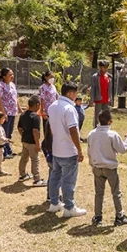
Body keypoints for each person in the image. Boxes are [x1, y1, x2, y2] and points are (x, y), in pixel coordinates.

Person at [86, 109, 127, 227]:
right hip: (110, 168)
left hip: (97, 167)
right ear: (110, 122)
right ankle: (119, 216)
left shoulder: (91, 134)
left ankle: (98, 217)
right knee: (116, 192)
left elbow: (89, 152)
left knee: (99, 193)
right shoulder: (112, 135)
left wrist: (92, 164)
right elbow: (123, 149)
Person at [46, 83, 87, 217]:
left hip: (56, 148)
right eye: (75, 93)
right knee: (68, 180)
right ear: (70, 93)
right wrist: (79, 150)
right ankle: (69, 207)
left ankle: (54, 202)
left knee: (55, 176)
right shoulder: (69, 108)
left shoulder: (52, 106)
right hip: (68, 150)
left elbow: (51, 128)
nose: (76, 96)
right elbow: (73, 130)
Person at [17, 95, 46, 186]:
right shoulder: (36, 117)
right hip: (32, 142)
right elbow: (35, 131)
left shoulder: (23, 114)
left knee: (24, 158)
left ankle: (22, 175)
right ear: (37, 105)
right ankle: (36, 179)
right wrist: (37, 144)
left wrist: (23, 135)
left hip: (25, 141)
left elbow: (19, 128)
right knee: (35, 160)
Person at [0, 68, 19, 159]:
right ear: (4, 76)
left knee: (9, 132)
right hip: (5, 112)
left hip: (13, 112)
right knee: (4, 132)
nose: (12, 76)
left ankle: (9, 150)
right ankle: (4, 152)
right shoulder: (0, 85)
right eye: (10, 75)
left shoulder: (12, 85)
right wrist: (2, 113)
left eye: (12, 74)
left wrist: (19, 109)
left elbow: (15, 98)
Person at [39, 72, 58, 164]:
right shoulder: (43, 87)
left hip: (54, 111)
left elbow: (56, 97)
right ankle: (47, 146)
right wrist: (42, 111)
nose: (52, 78)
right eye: (50, 77)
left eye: (53, 77)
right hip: (47, 111)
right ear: (46, 77)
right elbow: (42, 99)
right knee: (47, 129)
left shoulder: (53, 87)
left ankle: (53, 145)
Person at [90, 59, 113, 129]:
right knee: (97, 116)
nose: (105, 69)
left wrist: (110, 99)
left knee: (107, 115)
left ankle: (106, 129)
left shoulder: (109, 77)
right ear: (100, 67)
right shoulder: (95, 77)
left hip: (106, 99)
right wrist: (91, 100)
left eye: (106, 67)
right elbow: (93, 89)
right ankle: (95, 129)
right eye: (103, 67)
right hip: (98, 99)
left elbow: (110, 89)